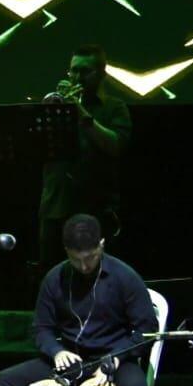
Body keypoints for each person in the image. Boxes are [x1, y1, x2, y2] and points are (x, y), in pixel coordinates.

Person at [0, 214, 158, 386]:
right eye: (76, 260)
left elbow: (147, 330)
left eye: (90, 258)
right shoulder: (55, 278)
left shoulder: (125, 277)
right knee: (0, 383)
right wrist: (56, 352)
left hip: (111, 359)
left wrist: (118, 357)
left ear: (101, 245)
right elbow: (41, 328)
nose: (85, 266)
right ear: (67, 251)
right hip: (69, 360)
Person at [38, 45, 131, 270]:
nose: (77, 77)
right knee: (51, 277)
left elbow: (115, 146)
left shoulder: (114, 108)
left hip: (93, 209)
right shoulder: (55, 105)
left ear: (101, 74)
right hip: (55, 207)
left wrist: (80, 113)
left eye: (84, 71)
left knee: (92, 278)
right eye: (73, 71)